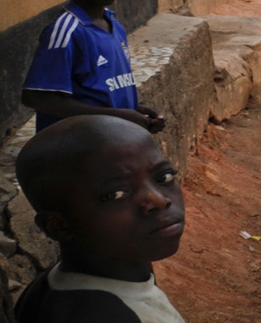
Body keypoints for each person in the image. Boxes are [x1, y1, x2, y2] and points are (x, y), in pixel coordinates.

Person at [14, 115, 186, 322]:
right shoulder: (105, 315)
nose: (159, 200)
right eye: (115, 195)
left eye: (163, 177)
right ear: (58, 225)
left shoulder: (60, 282)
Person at [21, 0, 164, 134]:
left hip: (109, 140)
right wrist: (116, 116)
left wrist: (136, 111)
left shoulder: (114, 25)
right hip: (76, 150)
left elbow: (98, 91)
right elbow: (37, 97)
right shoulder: (68, 31)